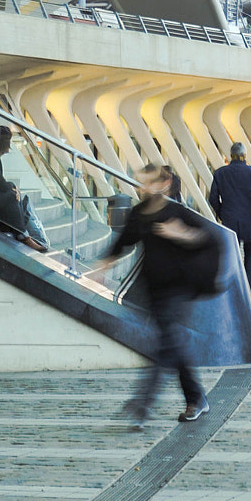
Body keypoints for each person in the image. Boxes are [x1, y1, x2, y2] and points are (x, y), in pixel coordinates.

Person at [98, 162, 215, 427]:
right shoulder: (139, 213)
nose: (143, 187)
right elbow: (121, 243)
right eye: (140, 182)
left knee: (165, 346)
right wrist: (101, 267)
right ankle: (197, 397)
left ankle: (142, 403)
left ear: (164, 184)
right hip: (154, 291)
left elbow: (206, 238)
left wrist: (182, 234)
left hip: (179, 291)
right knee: (173, 345)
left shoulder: (176, 212)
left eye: (149, 182)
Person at [208, 141, 251, 298]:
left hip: (229, 221)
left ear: (230, 156)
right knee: (250, 255)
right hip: (250, 221)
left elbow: (213, 198)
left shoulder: (220, 173)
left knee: (231, 255)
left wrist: (222, 213)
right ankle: (250, 290)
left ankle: (231, 290)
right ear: (244, 155)